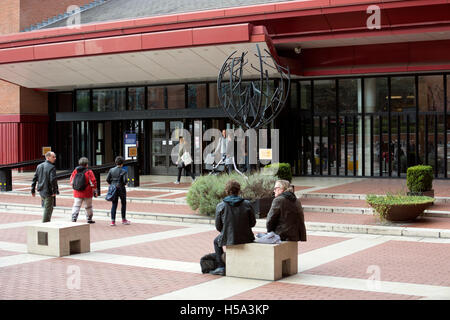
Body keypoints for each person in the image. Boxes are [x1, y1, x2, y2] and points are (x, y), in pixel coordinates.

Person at [211, 180, 256, 276]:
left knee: (216, 241)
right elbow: (253, 223)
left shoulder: (221, 205)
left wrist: (226, 231)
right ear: (238, 190)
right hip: (246, 236)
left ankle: (221, 267)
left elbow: (218, 227)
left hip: (228, 236)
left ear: (227, 191)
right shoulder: (247, 204)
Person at [31, 151, 59, 223]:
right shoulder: (52, 167)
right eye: (53, 157)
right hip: (48, 191)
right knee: (48, 209)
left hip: (41, 190)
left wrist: (33, 190)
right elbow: (52, 180)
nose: (55, 158)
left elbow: (34, 178)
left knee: (48, 207)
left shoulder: (39, 166)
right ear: (48, 157)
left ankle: (46, 222)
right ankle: (45, 224)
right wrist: (54, 191)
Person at [70, 157, 97, 224]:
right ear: (86, 164)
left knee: (76, 205)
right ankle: (89, 218)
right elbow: (93, 182)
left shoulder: (75, 171)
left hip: (77, 192)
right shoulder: (89, 172)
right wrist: (95, 190)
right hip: (87, 192)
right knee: (88, 206)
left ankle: (74, 217)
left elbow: (71, 181)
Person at [106, 156, 130, 226]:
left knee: (114, 204)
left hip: (114, 188)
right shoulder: (124, 171)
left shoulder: (111, 170)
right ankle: (123, 219)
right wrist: (123, 184)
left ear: (116, 162)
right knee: (123, 203)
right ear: (122, 163)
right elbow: (125, 181)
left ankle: (113, 221)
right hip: (121, 188)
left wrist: (112, 184)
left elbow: (107, 179)